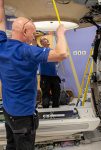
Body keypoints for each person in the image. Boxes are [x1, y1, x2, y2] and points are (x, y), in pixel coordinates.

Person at [0, 0, 68, 149]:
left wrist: (1, 4)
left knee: (11, 146)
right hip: (23, 116)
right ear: (24, 32)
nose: (34, 35)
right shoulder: (27, 51)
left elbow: (0, 20)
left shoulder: (1, 45)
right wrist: (60, 33)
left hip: (8, 111)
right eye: (33, 31)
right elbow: (62, 53)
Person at [38, 36, 61, 108]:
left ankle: (56, 107)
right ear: (41, 43)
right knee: (46, 93)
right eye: (44, 39)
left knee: (56, 92)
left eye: (46, 39)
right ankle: (45, 108)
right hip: (45, 76)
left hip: (54, 76)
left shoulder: (53, 51)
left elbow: (57, 61)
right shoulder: (40, 51)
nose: (46, 40)